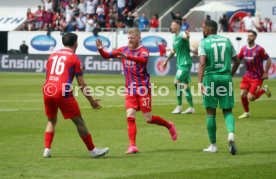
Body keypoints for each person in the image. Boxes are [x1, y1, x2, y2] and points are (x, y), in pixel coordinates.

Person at [96, 28, 177, 154]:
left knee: (148, 119)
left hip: (143, 88)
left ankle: (169, 125)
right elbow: (106, 56)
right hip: (130, 89)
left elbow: (142, 61)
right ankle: (132, 146)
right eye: (129, 38)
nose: (130, 40)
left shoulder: (143, 51)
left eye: (132, 38)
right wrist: (101, 49)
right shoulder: (122, 50)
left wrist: (127, 57)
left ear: (138, 38)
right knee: (130, 115)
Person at [42, 32, 109, 158]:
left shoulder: (52, 56)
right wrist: (91, 101)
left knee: (51, 120)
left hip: (47, 89)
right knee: (79, 121)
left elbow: (48, 76)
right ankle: (93, 150)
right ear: (75, 43)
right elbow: (82, 84)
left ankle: (47, 149)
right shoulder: (75, 59)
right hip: (62, 91)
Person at [198, 20, 241, 155]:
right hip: (225, 77)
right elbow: (237, 61)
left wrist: (199, 82)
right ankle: (230, 136)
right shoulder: (227, 41)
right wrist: (230, 75)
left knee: (210, 113)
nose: (202, 30)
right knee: (227, 111)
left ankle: (213, 145)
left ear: (208, 30)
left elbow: (202, 63)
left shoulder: (204, 42)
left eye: (203, 28)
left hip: (210, 78)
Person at [162, 20, 194, 114]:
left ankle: (179, 106)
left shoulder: (181, 34)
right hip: (181, 63)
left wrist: (187, 35)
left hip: (185, 63)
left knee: (176, 82)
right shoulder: (175, 37)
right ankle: (191, 107)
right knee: (184, 86)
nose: (171, 26)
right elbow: (173, 51)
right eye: (171, 24)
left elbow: (186, 36)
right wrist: (166, 61)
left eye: (173, 25)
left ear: (178, 26)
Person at [238, 30, 272, 119]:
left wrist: (266, 72)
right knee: (242, 95)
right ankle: (247, 112)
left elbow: (268, 59)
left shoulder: (259, 49)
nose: (249, 37)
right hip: (247, 76)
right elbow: (238, 59)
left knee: (251, 98)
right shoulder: (243, 49)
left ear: (255, 37)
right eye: (248, 35)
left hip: (257, 77)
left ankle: (264, 90)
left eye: (251, 36)